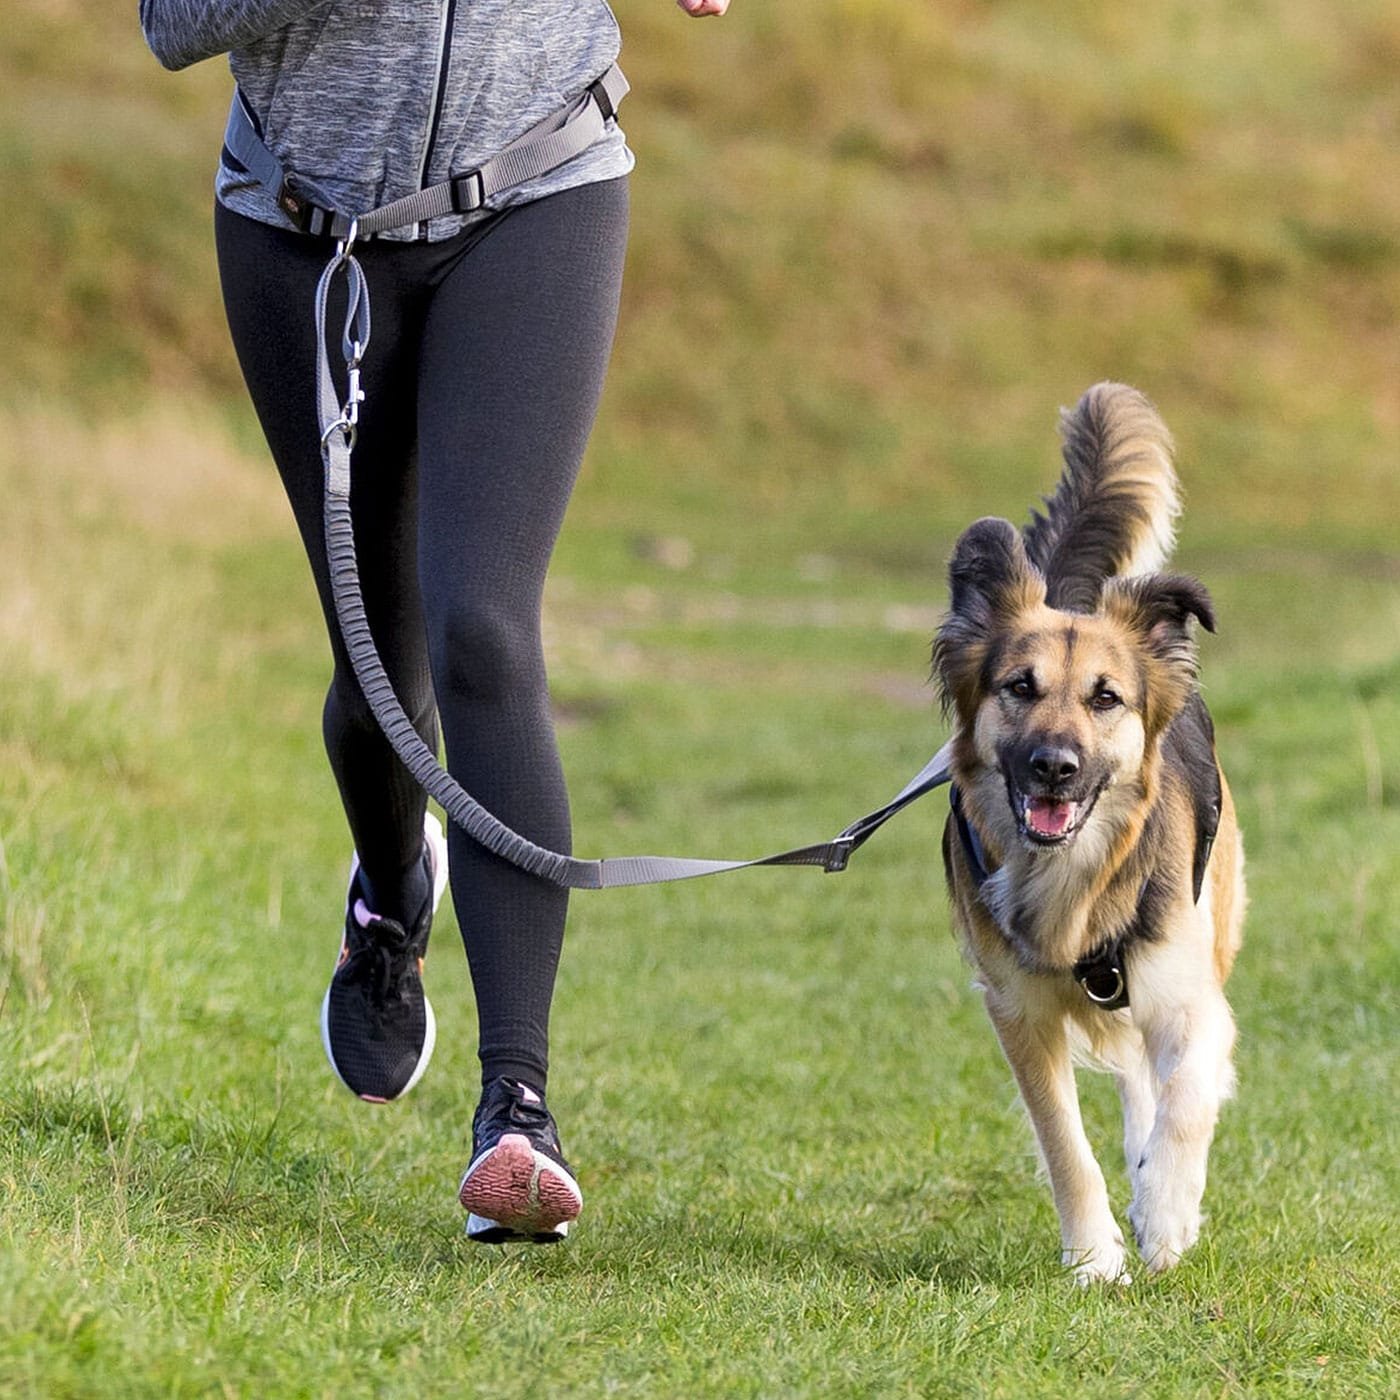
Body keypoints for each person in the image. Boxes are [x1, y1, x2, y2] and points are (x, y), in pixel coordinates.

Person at [139, 0, 733, 1245]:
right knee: (380, 668)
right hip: (301, 235)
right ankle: (392, 900)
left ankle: (517, 1108)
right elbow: (173, 23)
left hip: (538, 188)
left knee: (485, 634)